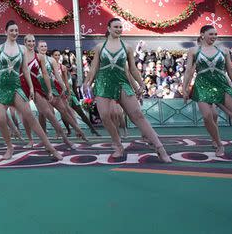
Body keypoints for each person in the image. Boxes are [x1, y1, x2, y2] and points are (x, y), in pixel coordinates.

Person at [83, 18, 171, 162]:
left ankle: (160, 148)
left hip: (122, 83)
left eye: (120, 27)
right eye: (115, 27)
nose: (118, 29)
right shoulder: (100, 47)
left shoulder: (127, 47)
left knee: (137, 115)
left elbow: (132, 69)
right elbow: (94, 69)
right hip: (103, 84)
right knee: (104, 115)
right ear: (109, 28)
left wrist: (141, 84)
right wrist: (87, 83)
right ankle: (117, 145)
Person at [0, 21, 62, 161]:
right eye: (12, 30)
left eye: (16, 30)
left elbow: (25, 69)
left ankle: (50, 147)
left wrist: (30, 87)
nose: (14, 33)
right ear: (5, 31)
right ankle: (9, 147)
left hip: (15, 86)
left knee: (30, 116)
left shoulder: (22, 49)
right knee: (1, 119)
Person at [182, 25, 232, 157]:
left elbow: (230, 71)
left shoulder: (224, 50)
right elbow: (189, 71)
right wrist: (184, 88)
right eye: (211, 34)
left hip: (222, 85)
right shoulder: (194, 51)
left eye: (215, 34)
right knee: (207, 117)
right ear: (202, 35)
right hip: (202, 86)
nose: (214, 37)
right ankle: (219, 144)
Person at [21, 35, 77, 149]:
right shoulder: (20, 55)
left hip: (35, 86)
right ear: (25, 42)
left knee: (49, 113)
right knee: (25, 115)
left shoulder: (40, 57)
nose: (31, 43)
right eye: (29, 41)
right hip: (21, 85)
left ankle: (65, 139)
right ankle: (30, 140)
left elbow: (46, 74)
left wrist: (51, 91)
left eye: (33, 41)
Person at [38, 41, 89, 142]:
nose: (43, 48)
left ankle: (79, 131)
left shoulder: (51, 60)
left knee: (64, 110)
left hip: (52, 88)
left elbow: (57, 75)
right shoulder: (34, 58)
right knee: (43, 113)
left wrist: (63, 87)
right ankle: (43, 135)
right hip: (39, 88)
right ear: (38, 47)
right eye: (41, 46)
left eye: (45, 46)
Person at [51, 49, 99, 136]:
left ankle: (92, 129)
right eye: (55, 55)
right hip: (57, 93)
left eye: (58, 55)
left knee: (79, 111)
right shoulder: (48, 67)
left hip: (67, 91)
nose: (57, 57)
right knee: (63, 113)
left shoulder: (63, 67)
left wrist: (69, 93)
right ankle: (69, 130)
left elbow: (66, 81)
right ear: (52, 56)